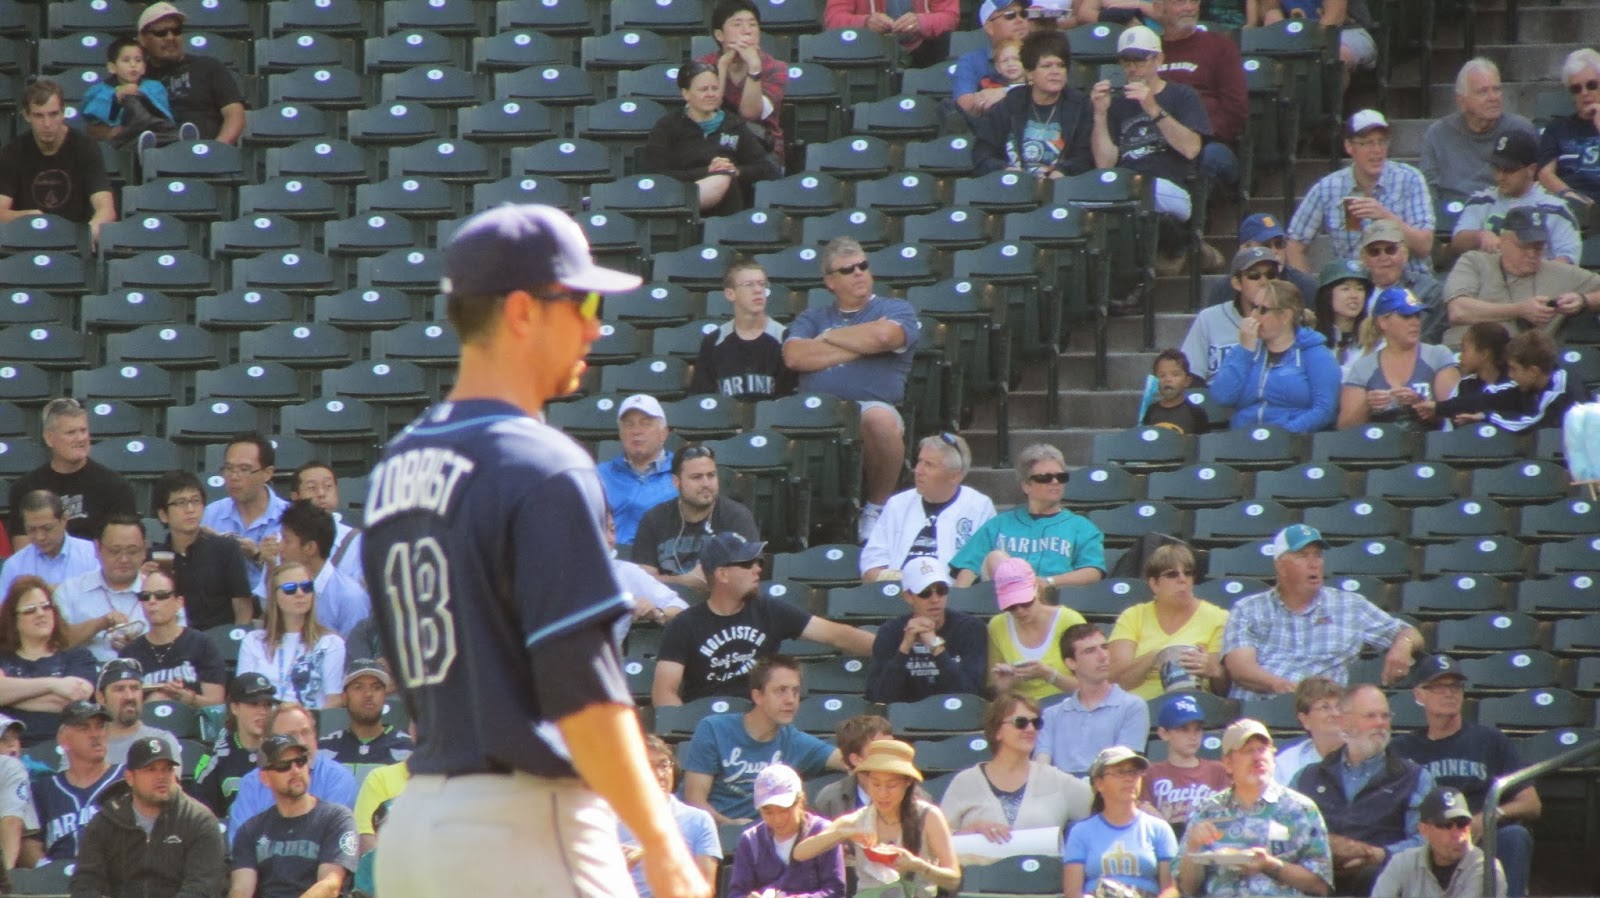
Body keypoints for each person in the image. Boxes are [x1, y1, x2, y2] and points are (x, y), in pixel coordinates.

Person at [359, 203, 709, 898]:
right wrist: (663, 840)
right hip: (520, 830)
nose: (595, 323)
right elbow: (583, 694)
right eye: (579, 300)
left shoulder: (395, 466)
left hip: (417, 826)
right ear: (522, 311)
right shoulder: (540, 462)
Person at [783, 237, 921, 541]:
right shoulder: (812, 317)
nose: (859, 272)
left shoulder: (895, 308)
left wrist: (829, 337)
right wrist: (860, 345)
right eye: (848, 269)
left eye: (863, 265)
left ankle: (877, 507)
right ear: (830, 281)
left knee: (879, 419)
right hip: (817, 413)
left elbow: (885, 338)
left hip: (871, 407)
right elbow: (795, 356)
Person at [652, 533, 872, 705]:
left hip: (762, 719)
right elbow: (664, 694)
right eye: (747, 563)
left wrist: (892, 646)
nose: (757, 569)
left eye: (758, 561)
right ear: (722, 575)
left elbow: (838, 635)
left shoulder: (768, 610)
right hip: (709, 724)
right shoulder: (684, 625)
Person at [1393, 657, 1536, 896]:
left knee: (1514, 836)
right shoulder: (1402, 749)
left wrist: (1489, 816)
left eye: (1455, 686)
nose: (1449, 693)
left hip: (1481, 836)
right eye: (1438, 687)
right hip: (1425, 837)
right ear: (1419, 695)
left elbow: (1531, 803)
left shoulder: (1490, 740)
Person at [1225, 526, 1421, 700]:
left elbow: (1411, 634)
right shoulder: (1248, 608)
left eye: (1317, 555)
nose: (1314, 563)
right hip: (1262, 709)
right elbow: (1240, 669)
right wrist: (1283, 687)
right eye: (1303, 555)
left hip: (1324, 713)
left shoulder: (1349, 605)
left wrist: (1403, 645)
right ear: (1280, 565)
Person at [1091, 25, 1214, 274]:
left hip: (1170, 186)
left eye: (1140, 61)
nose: (1133, 69)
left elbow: (1191, 149)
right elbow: (1104, 164)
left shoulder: (1182, 95)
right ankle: (1148, 272)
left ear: (1158, 59)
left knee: (1137, 197)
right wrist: (1100, 114)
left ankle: (1175, 253)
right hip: (1128, 185)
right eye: (1126, 62)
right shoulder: (1117, 104)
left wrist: (1152, 108)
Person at [1293, 683, 1435, 897]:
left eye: (1385, 716)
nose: (1380, 724)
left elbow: (1429, 841)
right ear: (1344, 721)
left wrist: (1378, 854)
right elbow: (1282, 829)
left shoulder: (1413, 778)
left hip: (1383, 884)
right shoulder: (1308, 777)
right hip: (1316, 882)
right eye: (1370, 716)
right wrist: (1326, 846)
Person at [1178, 719, 1335, 898]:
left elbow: (1321, 885)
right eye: (1248, 751)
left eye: (1262, 749)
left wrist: (1269, 865)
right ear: (1228, 763)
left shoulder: (1301, 809)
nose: (1257, 757)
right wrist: (1194, 847)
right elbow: (1187, 889)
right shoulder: (1207, 810)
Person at [681, 656, 845, 825]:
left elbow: (848, 759)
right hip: (716, 835)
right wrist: (729, 825)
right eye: (780, 691)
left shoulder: (794, 741)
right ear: (758, 696)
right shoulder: (714, 729)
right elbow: (694, 800)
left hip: (767, 840)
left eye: (795, 691)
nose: (790, 700)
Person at [794, 740, 962, 896]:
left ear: (907, 782)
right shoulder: (858, 819)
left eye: (891, 785)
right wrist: (842, 833)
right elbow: (800, 853)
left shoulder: (929, 816)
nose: (882, 793)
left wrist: (919, 866)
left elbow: (953, 879)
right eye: (875, 784)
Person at [70, 736, 227, 898]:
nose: (161, 776)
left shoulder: (198, 820)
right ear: (130, 778)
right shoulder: (106, 821)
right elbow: (86, 882)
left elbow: (202, 887)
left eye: (167, 769)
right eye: (151, 769)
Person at [1287, 111, 1436, 280]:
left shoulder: (1410, 178)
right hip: (1354, 289)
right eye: (1367, 143)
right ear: (1349, 147)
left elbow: (1425, 245)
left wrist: (1384, 216)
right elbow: (1294, 244)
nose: (1377, 150)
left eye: (1382, 142)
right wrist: (1309, 293)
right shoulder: (1329, 187)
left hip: (1409, 286)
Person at [940, 692, 1092, 855]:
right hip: (980, 878)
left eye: (1036, 723)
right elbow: (934, 842)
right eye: (1021, 723)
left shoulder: (1057, 780)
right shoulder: (965, 782)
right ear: (997, 731)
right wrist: (967, 833)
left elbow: (1108, 807)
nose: (1030, 729)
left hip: (1042, 879)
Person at [1441, 206, 1600, 348]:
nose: (1532, 254)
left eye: (1538, 247)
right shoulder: (1475, 261)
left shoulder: (1560, 272)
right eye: (1524, 246)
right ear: (1503, 241)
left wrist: (1584, 300)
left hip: (1522, 366)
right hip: (1463, 354)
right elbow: (1458, 311)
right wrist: (1520, 310)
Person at [951, 443, 1107, 587]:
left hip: (1055, 603)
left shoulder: (1081, 527)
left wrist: (1049, 582)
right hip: (1003, 606)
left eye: (1061, 477)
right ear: (1026, 486)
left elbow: (1093, 571)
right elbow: (968, 568)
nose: (1054, 482)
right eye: (1045, 478)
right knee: (996, 558)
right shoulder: (998, 524)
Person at [227, 734, 358, 898]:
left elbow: (330, 886)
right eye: (284, 766)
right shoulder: (250, 830)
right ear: (265, 778)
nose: (296, 770)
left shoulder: (336, 818)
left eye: (301, 761)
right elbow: (241, 890)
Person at [642, 61, 780, 216]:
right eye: (703, 89)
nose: (711, 94)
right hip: (680, 202)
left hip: (729, 207)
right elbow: (656, 174)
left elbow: (765, 168)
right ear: (686, 93)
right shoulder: (667, 126)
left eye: (715, 88)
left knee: (724, 177)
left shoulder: (734, 125)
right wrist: (707, 171)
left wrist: (734, 171)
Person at [1209, 280, 1341, 433]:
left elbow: (1325, 410)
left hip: (1294, 442)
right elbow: (1222, 397)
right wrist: (1244, 351)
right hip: (1243, 439)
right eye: (1253, 307)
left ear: (1285, 316)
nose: (1254, 316)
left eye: (1263, 310)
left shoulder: (1316, 354)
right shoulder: (1244, 350)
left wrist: (1282, 435)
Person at [861, 432, 996, 582]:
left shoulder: (979, 507)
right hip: (898, 596)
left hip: (951, 598)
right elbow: (871, 565)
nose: (918, 471)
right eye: (919, 461)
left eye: (929, 465)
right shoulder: (897, 504)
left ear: (954, 476)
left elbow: (985, 570)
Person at [5, 399, 136, 548]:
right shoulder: (25, 488)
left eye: (83, 431)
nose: (80, 438)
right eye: (71, 432)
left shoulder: (116, 487)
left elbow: (120, 548)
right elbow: (24, 554)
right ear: (49, 438)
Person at [0, 80, 116, 248]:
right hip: (27, 239)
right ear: (26, 116)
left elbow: (106, 208)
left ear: (63, 113)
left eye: (53, 114)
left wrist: (91, 231)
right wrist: (28, 216)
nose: (47, 124)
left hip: (75, 242)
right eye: (39, 116)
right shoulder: (12, 152)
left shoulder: (85, 147)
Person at [1108, 543, 1229, 700]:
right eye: (1172, 574)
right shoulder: (1133, 616)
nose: (1182, 580)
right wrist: (1158, 655)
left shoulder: (1218, 617)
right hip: (1138, 706)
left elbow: (1223, 690)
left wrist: (1214, 670)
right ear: (1154, 584)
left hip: (1192, 704)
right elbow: (1117, 681)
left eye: (1188, 573)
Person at [971, 29, 1096, 180]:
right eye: (1046, 66)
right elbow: (982, 155)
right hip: (1014, 188)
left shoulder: (1080, 106)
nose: (1055, 71)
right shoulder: (1009, 104)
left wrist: (1063, 171)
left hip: (1061, 188)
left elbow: (1085, 157)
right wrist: (1005, 169)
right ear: (1030, 73)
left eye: (1061, 65)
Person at [630, 446, 760, 589]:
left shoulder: (737, 517)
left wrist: (666, 580)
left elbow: (744, 580)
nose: (706, 484)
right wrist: (685, 581)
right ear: (676, 482)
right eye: (696, 477)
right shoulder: (654, 519)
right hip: (667, 606)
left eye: (711, 475)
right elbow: (642, 583)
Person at [227, 704, 358, 844]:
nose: (301, 742)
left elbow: (332, 840)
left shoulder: (337, 779)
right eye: (290, 736)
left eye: (306, 732)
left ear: (315, 735)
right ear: (270, 742)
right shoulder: (252, 783)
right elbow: (239, 842)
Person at [864, 557, 987, 703]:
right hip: (905, 719)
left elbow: (970, 693)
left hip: (956, 717)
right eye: (925, 593)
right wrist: (904, 649)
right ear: (908, 597)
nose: (935, 599)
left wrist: (936, 647)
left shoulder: (970, 628)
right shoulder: (890, 632)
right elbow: (879, 697)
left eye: (941, 590)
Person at [1337, 287, 1462, 430]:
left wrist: (1420, 403)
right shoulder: (1363, 366)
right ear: (1383, 322)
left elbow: (1455, 416)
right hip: (1378, 446)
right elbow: (1345, 428)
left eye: (1417, 316)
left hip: (1429, 446)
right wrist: (1367, 405)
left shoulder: (1438, 355)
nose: (1415, 322)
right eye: (1406, 316)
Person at [1064, 746, 1181, 898]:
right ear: (1099, 783)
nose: (1129, 778)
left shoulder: (1159, 829)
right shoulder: (1081, 832)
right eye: (1120, 772)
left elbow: (1171, 889)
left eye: (1134, 772)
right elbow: (1073, 892)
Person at [1150, 0, 1247, 183]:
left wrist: (1195, 135)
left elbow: (1235, 110)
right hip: (1154, 142)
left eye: (1194, 1)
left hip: (1208, 144)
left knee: (1207, 157)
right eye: (1179, 2)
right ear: (1158, 8)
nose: (1190, 8)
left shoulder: (1220, 47)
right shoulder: (1149, 53)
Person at [1450, 130, 1580, 265]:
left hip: (1538, 281)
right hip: (1486, 279)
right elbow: (1458, 242)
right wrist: (1480, 236)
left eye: (1509, 170)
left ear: (1531, 169)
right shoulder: (1481, 201)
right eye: (1497, 168)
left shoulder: (1556, 209)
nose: (1500, 177)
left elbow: (1567, 260)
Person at [1037, 624, 1150, 776]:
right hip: (1060, 793)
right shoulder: (1051, 715)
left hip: (1107, 791)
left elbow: (1124, 766)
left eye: (1104, 647)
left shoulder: (1132, 706)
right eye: (1090, 651)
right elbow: (1041, 766)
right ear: (1071, 662)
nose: (1103, 656)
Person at [148, 470, 254, 630]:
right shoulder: (157, 557)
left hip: (219, 644)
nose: (190, 509)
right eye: (181, 503)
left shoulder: (225, 549)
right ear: (163, 514)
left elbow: (243, 607)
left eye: (195, 501)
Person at [620, 734, 722, 898]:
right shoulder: (608, 821)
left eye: (664, 765)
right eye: (649, 766)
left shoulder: (699, 821)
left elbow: (706, 891)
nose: (660, 774)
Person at [1420, 59, 1536, 200]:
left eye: (1496, 89)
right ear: (1461, 101)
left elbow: (1532, 185)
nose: (1493, 98)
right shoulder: (1437, 134)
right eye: (1482, 92)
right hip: (1450, 212)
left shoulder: (1520, 130)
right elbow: (1428, 189)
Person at [0, 577, 96, 747]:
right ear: (13, 619)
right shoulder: (2, 657)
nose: (40, 613)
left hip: (63, 748)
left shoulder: (77, 655)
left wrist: (11, 696)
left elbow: (76, 701)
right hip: (9, 750)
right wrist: (54, 685)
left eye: (46, 607)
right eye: (30, 610)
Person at [236, 561, 346, 709]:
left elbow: (334, 701)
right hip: (264, 723)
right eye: (290, 589)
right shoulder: (253, 641)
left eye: (307, 587)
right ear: (274, 597)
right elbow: (243, 695)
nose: (300, 593)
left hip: (308, 726)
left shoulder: (330, 643)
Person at [132, 2, 246, 144]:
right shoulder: (136, 77)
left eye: (176, 30)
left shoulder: (208, 66)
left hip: (207, 154)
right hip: (158, 156)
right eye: (161, 33)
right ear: (143, 39)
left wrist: (217, 149)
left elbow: (234, 113)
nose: (170, 37)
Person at [726, 764, 846, 898]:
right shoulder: (750, 840)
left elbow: (835, 891)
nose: (777, 819)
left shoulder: (824, 832)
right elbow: (737, 892)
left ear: (800, 802)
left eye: (784, 810)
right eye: (768, 812)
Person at [26, 701, 122, 866]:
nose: (95, 734)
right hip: (60, 881)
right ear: (63, 739)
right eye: (84, 728)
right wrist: (48, 871)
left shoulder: (127, 778)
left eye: (100, 726)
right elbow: (30, 845)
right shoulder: (43, 790)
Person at [1370, 786, 1507, 898]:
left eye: (1462, 824)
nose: (1457, 834)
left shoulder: (1486, 868)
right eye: (1445, 825)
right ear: (1424, 829)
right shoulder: (1403, 862)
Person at [119, 567, 227, 707]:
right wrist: (150, 704)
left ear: (179, 602)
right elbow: (121, 707)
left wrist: (188, 699)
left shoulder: (202, 644)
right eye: (145, 596)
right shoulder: (130, 653)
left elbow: (216, 703)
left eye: (161, 595)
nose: (152, 601)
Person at [691, 258, 797, 401]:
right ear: (730, 294)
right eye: (749, 285)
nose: (758, 290)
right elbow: (702, 397)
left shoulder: (785, 338)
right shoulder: (714, 341)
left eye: (762, 284)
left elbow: (789, 399)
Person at [1183, 246, 1294, 382]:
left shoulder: (1286, 319)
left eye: (1270, 275)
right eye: (1254, 275)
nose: (1264, 282)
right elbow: (1190, 376)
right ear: (1237, 283)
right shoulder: (1209, 319)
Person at [698, 0, 789, 167]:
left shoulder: (776, 68)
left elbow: (749, 114)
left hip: (761, 148)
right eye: (737, 25)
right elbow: (706, 109)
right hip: (712, 146)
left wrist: (754, 67)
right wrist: (723, 67)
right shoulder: (703, 66)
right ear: (720, 35)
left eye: (752, 25)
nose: (747, 31)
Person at [986, 556, 1087, 700]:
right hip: (1022, 713)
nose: (1020, 611)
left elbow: (1092, 688)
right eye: (1011, 606)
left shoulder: (1070, 620)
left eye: (1026, 602)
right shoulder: (997, 626)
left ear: (1037, 590)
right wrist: (1004, 688)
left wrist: (1049, 675)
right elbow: (995, 688)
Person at [54, 515, 150, 663]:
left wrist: (139, 647)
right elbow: (55, 643)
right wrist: (99, 624)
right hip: (84, 678)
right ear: (97, 548)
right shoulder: (71, 590)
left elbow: (178, 643)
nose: (124, 559)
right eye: (115, 551)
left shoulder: (162, 592)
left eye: (132, 551)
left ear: (144, 550)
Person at [267, 500, 370, 639]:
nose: (280, 547)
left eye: (287, 540)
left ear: (310, 548)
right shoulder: (283, 585)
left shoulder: (350, 597)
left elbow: (355, 655)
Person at [202, 432, 289, 587]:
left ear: (267, 473)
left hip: (272, 605)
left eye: (244, 469)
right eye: (229, 468)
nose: (234, 477)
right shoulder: (210, 514)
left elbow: (296, 579)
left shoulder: (290, 518)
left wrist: (257, 556)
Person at [1198, 214, 1321, 323]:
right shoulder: (1224, 288)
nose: (1274, 251)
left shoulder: (1305, 286)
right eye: (1266, 245)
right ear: (1244, 248)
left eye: (1279, 244)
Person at [191, 673, 276, 819]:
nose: (263, 712)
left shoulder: (282, 751)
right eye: (254, 704)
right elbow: (201, 812)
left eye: (267, 705)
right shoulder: (217, 757)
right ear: (234, 707)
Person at [598, 394, 677, 550]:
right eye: (628, 424)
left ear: (663, 433)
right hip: (605, 560)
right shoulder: (599, 474)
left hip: (657, 564)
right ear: (620, 434)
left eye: (645, 423)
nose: (636, 431)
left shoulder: (682, 474)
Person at [318, 660, 413, 789]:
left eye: (376, 687)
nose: (368, 694)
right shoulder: (324, 749)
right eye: (358, 687)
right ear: (345, 697)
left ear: (384, 695)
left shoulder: (406, 748)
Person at [1140, 696, 1229, 833]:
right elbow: (1143, 813)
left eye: (1198, 729)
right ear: (1163, 733)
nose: (1193, 736)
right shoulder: (1151, 773)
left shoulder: (1217, 770)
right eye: (1183, 729)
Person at [80, 36, 184, 150]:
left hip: (154, 131)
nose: (133, 65)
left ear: (144, 67)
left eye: (138, 60)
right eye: (126, 60)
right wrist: (116, 98)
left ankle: (178, 137)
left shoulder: (154, 86)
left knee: (163, 133)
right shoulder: (99, 90)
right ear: (112, 67)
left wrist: (141, 95)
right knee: (130, 99)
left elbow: (162, 112)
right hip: (124, 135)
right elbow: (95, 118)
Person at [1358, 220, 1447, 341]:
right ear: (1364, 259)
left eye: (1390, 250)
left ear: (1404, 254)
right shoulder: (1354, 289)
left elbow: (1421, 337)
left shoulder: (1429, 290)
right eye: (1374, 252)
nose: (1383, 257)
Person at [1412, 323, 1515, 429]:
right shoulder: (1464, 386)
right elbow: (1450, 427)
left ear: (1484, 354)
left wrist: (1483, 417)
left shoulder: (1516, 385)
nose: (1460, 356)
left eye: (1464, 350)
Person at [0, 491, 99, 596]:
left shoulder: (93, 555)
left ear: (64, 520)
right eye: (31, 529)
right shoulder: (15, 565)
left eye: (47, 528)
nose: (40, 537)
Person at [1536, 48, 1600, 209]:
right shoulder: (1557, 128)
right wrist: (1572, 197)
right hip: (1569, 206)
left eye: (1591, 85)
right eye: (1576, 89)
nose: (1584, 93)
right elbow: (1544, 174)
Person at [953, 0, 1035, 124]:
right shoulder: (971, 61)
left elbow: (1053, 95)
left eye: (1023, 14)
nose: (1020, 20)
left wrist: (1005, 93)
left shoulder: (1040, 53)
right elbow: (966, 104)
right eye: (1010, 15)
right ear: (989, 27)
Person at [92, 658, 183, 768]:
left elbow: (171, 784)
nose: (129, 696)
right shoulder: (86, 746)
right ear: (101, 697)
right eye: (119, 689)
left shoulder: (162, 741)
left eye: (135, 688)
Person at [289, 462, 365, 588]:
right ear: (295, 497)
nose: (321, 493)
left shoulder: (356, 541)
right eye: (312, 488)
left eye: (328, 486)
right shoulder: (283, 540)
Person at [823, 0, 959, 69]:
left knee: (949, 43)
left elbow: (950, 17)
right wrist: (865, 22)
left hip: (924, 49)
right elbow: (833, 19)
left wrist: (921, 21)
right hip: (870, 51)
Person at [1272, 676, 1346, 787]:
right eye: (1324, 707)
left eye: (1339, 706)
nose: (1335, 713)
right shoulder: (1287, 763)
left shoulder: (1364, 754)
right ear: (1305, 719)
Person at [1313, 259, 1376, 367]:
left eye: (1360, 289)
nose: (1354, 295)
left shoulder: (1374, 341)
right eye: (1345, 289)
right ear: (1327, 296)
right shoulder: (1313, 340)